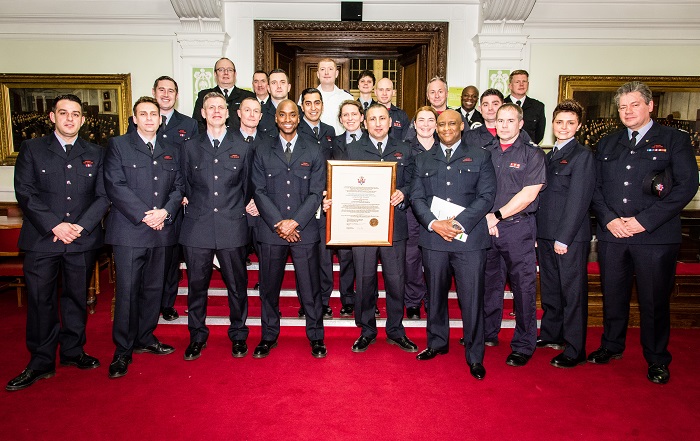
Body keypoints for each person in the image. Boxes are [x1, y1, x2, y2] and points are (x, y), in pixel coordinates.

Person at [589, 81, 698, 384]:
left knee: (654, 299)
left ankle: (657, 358)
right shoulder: (608, 143)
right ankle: (611, 345)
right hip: (613, 234)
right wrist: (609, 219)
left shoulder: (674, 139)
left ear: (650, 106)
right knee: (613, 294)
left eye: (634, 104)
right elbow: (595, 187)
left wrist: (645, 221)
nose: (627, 111)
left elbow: (686, 186)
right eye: (622, 106)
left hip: (655, 236)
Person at [7, 94, 110, 391]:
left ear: (82, 119)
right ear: (52, 116)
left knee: (77, 298)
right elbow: (25, 192)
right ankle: (40, 362)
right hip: (43, 240)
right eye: (63, 113)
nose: (69, 119)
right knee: (41, 302)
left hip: (80, 239)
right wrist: (55, 224)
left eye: (75, 114)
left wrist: (80, 226)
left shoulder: (95, 152)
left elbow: (103, 195)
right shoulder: (33, 149)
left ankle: (73, 351)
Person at [411, 109, 496, 380]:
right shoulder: (423, 159)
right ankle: (437, 343)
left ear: (462, 126)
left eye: (452, 123)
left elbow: (486, 196)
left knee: (471, 299)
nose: (446, 128)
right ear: (435, 127)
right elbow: (416, 196)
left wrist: (457, 224)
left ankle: (474, 355)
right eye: (441, 124)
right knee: (434, 295)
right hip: (434, 238)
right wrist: (435, 224)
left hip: (469, 240)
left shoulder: (481, 155)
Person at [104, 96, 184, 378]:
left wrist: (164, 212)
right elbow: (115, 185)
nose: (150, 118)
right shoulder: (118, 145)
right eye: (143, 114)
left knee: (154, 289)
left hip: (162, 231)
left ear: (160, 119)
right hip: (129, 231)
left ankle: (145, 338)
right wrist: (145, 215)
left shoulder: (171, 149)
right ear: (134, 118)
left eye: (154, 114)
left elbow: (178, 187)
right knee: (127, 291)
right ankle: (123, 350)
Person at [328, 104, 418, 354]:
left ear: (390, 122)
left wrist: (404, 193)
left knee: (396, 280)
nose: (377, 123)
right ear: (364, 123)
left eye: (382, 118)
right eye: (372, 119)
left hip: (394, 227)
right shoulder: (352, 149)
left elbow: (414, 182)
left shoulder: (404, 149)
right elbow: (342, 184)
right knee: (365, 280)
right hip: (362, 229)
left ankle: (396, 330)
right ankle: (366, 330)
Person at [178, 93, 257, 361]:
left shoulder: (243, 146)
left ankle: (238, 334)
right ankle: (197, 336)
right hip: (197, 227)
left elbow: (247, 187)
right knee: (197, 287)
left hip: (231, 225)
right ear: (202, 113)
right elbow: (184, 183)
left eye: (220, 107)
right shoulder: (189, 146)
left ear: (228, 113)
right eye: (210, 108)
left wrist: (238, 209)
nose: (215, 111)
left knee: (237, 285)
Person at [252, 99, 327, 358]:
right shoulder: (262, 150)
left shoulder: (314, 150)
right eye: (282, 114)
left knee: (310, 288)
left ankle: (316, 336)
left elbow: (317, 191)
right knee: (269, 288)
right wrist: (279, 223)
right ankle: (268, 336)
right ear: (276, 118)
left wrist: (294, 222)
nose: (287, 118)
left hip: (304, 230)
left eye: (292, 114)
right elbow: (258, 191)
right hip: (271, 230)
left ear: (298, 118)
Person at [127, 75, 198, 322]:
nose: (166, 94)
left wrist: (183, 195)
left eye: (171, 90)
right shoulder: (132, 128)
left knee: (170, 259)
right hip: (142, 206)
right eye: (161, 90)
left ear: (177, 96)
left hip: (174, 202)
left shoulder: (189, 125)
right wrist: (145, 211)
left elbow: (192, 163)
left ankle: (167, 302)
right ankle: (143, 308)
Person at [483, 103, 546, 367]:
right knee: (490, 285)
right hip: (486, 228)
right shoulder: (486, 152)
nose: (505, 125)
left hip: (517, 228)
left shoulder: (533, 154)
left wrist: (497, 216)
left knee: (523, 288)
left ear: (520, 124)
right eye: (500, 120)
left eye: (510, 120)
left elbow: (528, 195)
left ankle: (523, 344)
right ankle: (487, 333)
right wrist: (486, 219)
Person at [536, 99, 595, 368]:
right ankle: (552, 334)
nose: (564, 127)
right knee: (551, 289)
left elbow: (579, 200)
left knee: (572, 294)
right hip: (546, 234)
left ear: (579, 126)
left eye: (570, 123)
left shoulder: (582, 156)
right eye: (559, 122)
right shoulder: (549, 155)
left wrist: (564, 238)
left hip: (568, 237)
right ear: (553, 124)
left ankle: (574, 348)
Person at [297, 88, 336, 318]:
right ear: (302, 106)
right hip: (304, 203)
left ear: (322, 105)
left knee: (324, 257)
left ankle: (324, 300)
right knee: (306, 260)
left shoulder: (330, 131)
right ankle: (307, 302)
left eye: (317, 103)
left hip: (326, 203)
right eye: (308, 103)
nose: (313, 107)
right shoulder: (295, 130)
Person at [404, 106, 439, 319]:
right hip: (411, 211)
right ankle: (413, 301)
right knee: (411, 258)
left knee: (435, 259)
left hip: (439, 213)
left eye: (430, 120)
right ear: (414, 124)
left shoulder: (445, 148)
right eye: (421, 120)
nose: (426, 124)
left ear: (436, 124)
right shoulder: (405, 149)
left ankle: (433, 300)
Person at [192, 57, 255, 132]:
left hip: (241, 141)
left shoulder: (248, 96)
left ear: (235, 74)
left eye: (229, 70)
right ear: (215, 74)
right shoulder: (204, 95)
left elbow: (253, 123)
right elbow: (197, 123)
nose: (226, 73)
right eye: (221, 69)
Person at [312, 58, 353, 135]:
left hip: (340, 143)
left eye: (330, 69)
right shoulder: (307, 97)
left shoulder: (347, 98)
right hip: (314, 143)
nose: (326, 73)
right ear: (318, 74)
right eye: (322, 69)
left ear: (336, 73)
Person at [505, 70, 546, 144]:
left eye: (524, 81)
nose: (521, 85)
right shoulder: (502, 104)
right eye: (517, 82)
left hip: (528, 150)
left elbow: (539, 134)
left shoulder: (538, 106)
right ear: (510, 86)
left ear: (528, 84)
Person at [259, 69, 293, 137]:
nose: (279, 86)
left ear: (289, 87)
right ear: (268, 88)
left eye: (282, 82)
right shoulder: (259, 112)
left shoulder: (300, 112)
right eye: (274, 83)